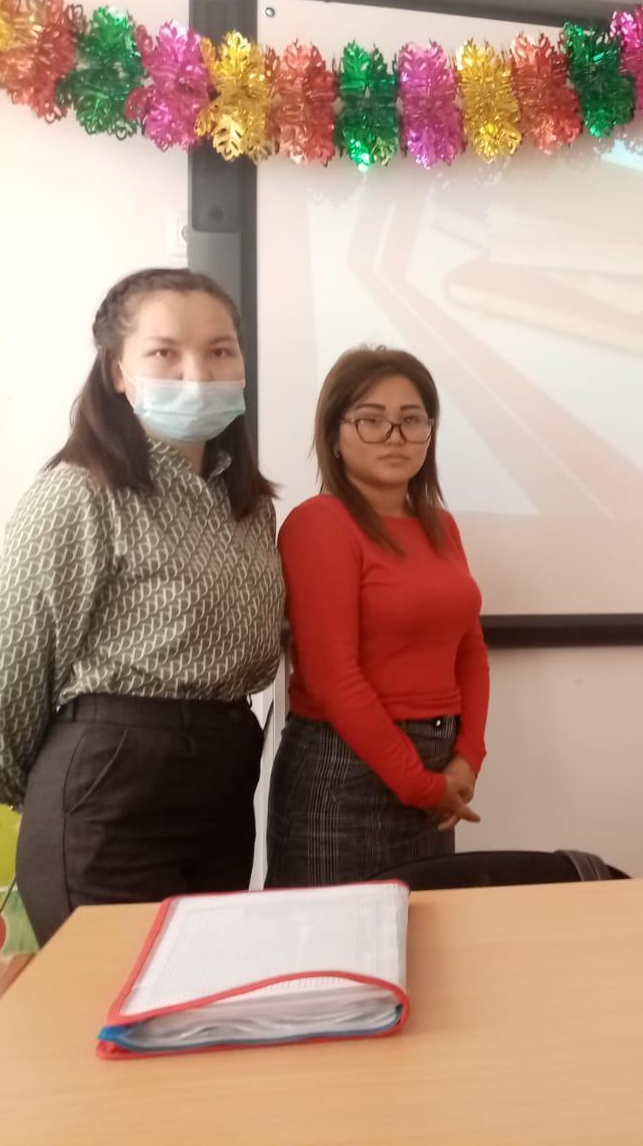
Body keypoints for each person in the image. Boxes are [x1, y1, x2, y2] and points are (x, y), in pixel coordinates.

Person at [0, 268, 284, 944]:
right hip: (110, 784)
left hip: (223, 777)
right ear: (117, 371)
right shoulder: (78, 492)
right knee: (111, 992)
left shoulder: (248, 505)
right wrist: (39, 799)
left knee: (203, 990)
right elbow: (12, 664)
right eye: (164, 352)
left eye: (220, 351)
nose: (198, 374)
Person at [266, 346, 488, 887]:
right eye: (371, 420)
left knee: (425, 929)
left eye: (411, 420)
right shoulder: (320, 524)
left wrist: (467, 758)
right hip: (344, 770)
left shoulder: (441, 526)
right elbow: (332, 676)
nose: (394, 436)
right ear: (334, 434)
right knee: (330, 936)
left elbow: (470, 652)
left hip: (437, 770)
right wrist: (419, 785)